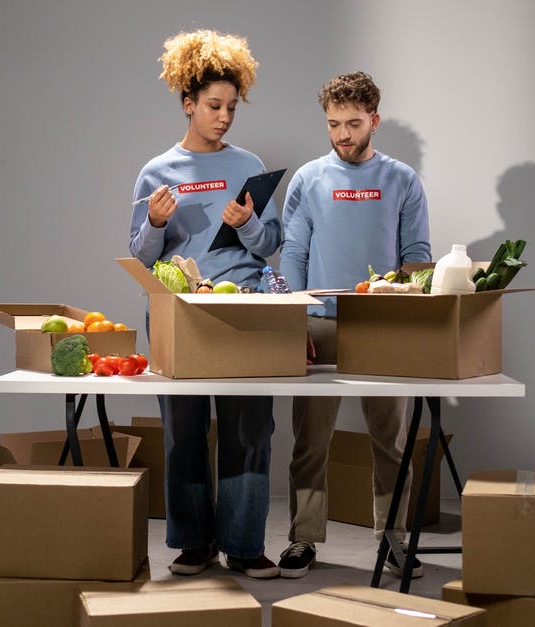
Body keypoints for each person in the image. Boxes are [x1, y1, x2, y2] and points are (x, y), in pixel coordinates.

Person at [128, 30, 281, 579]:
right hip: (180, 315)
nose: (223, 118)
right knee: (184, 430)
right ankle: (194, 542)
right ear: (188, 103)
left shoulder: (249, 163)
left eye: (231, 108)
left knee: (249, 430)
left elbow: (270, 247)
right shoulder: (157, 172)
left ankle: (243, 544)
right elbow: (142, 257)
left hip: (243, 311)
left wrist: (251, 224)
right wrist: (157, 221)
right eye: (213, 106)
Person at [277, 71, 432, 579]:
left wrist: (407, 318)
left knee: (390, 441)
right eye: (333, 124)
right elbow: (294, 252)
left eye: (353, 123)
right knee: (310, 440)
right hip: (319, 323)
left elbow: (416, 258)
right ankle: (303, 539)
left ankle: (393, 540)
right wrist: (292, 320)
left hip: (381, 327)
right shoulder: (309, 178)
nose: (343, 134)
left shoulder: (403, 180)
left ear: (374, 121)